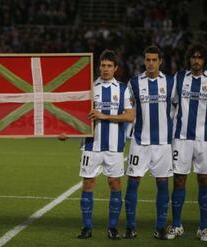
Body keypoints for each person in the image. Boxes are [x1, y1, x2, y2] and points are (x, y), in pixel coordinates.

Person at [167, 44, 207, 241]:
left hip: (205, 140)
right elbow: (170, 101)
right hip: (182, 139)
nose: (196, 60)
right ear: (189, 59)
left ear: (204, 60)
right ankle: (176, 225)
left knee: (205, 181)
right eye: (193, 57)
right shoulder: (179, 78)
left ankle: (203, 228)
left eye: (200, 57)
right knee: (178, 180)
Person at [76, 49, 134, 240]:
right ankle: (86, 228)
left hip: (115, 147)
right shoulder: (89, 87)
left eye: (110, 66)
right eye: (103, 65)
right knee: (88, 183)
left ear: (115, 68)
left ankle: (112, 228)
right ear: (98, 67)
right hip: (91, 145)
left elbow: (130, 116)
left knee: (115, 183)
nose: (106, 69)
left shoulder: (123, 89)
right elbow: (76, 114)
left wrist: (105, 116)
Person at [124, 45, 175, 240]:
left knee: (162, 184)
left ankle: (160, 228)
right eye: (148, 60)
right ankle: (130, 227)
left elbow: (180, 105)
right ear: (144, 61)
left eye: (155, 60)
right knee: (133, 183)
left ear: (160, 61)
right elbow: (127, 107)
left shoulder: (170, 83)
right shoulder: (134, 83)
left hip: (163, 144)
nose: (151, 63)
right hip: (140, 142)